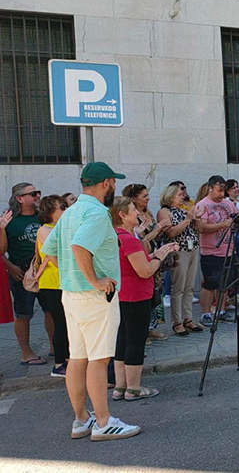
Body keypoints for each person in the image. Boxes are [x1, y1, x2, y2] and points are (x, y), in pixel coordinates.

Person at [41, 161, 141, 440]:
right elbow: (79, 246)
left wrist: (75, 275)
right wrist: (94, 280)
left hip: (71, 295)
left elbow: (50, 249)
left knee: (77, 359)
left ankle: (81, 419)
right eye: (114, 182)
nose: (115, 186)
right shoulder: (97, 213)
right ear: (107, 182)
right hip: (96, 296)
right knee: (98, 360)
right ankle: (104, 421)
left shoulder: (71, 212)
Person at [110, 196, 177, 402]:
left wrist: (155, 254)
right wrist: (159, 257)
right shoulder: (128, 239)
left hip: (121, 295)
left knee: (122, 340)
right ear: (122, 215)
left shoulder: (116, 235)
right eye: (133, 210)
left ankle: (120, 387)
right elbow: (145, 271)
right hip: (135, 296)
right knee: (135, 341)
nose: (138, 213)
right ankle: (134, 388)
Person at [4, 182, 51, 366]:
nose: (37, 196)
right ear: (20, 198)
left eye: (37, 192)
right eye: (32, 193)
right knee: (24, 313)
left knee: (51, 310)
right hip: (21, 270)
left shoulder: (42, 217)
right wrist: (11, 267)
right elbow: (1, 250)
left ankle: (55, 347)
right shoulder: (10, 220)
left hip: (44, 268)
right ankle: (26, 352)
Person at [122, 184, 170, 342]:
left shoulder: (148, 213)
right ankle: (143, 332)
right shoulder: (130, 225)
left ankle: (151, 327)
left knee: (155, 293)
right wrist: (157, 230)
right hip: (145, 258)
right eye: (144, 196)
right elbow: (142, 240)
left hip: (152, 256)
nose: (148, 198)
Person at [157, 183, 202, 336]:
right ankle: (177, 321)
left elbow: (196, 228)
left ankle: (188, 318)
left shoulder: (185, 209)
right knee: (178, 287)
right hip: (179, 251)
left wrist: (197, 218)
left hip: (193, 248)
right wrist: (188, 219)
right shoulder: (165, 211)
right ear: (170, 196)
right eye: (179, 195)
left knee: (189, 287)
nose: (183, 197)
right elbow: (171, 233)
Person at [195, 175, 237, 327]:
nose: (221, 194)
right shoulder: (202, 205)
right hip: (211, 251)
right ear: (210, 188)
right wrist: (222, 225)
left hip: (228, 249)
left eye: (223, 191)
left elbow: (236, 217)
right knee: (210, 283)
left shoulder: (228, 203)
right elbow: (201, 227)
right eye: (219, 191)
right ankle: (205, 313)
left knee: (224, 283)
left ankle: (221, 310)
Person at [36, 195, 70, 377]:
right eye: (62, 207)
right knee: (61, 323)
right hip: (52, 283)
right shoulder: (45, 230)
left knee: (67, 323)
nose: (65, 210)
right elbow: (57, 259)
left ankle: (68, 359)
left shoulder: (59, 228)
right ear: (50, 211)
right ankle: (59, 363)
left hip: (63, 282)